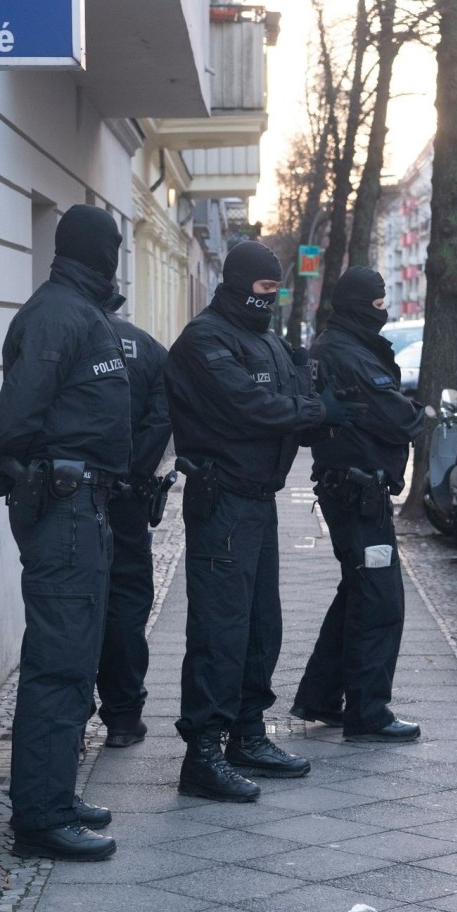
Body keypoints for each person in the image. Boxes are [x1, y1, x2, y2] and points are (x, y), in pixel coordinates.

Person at [164, 240, 366, 802]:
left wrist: (318, 408)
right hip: (222, 501)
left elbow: (291, 403)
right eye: (261, 288)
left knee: (260, 626)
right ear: (235, 284)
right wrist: (314, 410)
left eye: (275, 289)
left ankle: (247, 732)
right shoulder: (205, 341)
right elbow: (247, 408)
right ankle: (202, 753)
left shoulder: (268, 342)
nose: (268, 298)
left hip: (258, 500)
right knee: (220, 630)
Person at [0, 204, 131, 862]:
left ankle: (55, 794)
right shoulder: (58, 314)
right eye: (113, 248)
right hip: (64, 506)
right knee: (58, 664)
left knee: (75, 661)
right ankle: (39, 820)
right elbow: (12, 418)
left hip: (83, 506)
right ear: (95, 252)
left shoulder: (80, 310)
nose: (116, 257)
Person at [292, 266, 424, 742]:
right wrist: (416, 413)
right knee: (379, 601)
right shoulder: (346, 353)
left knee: (358, 592)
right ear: (363, 305)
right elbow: (397, 418)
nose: (384, 310)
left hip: (347, 488)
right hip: (358, 494)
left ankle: (321, 697)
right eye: (379, 302)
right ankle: (368, 712)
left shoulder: (333, 346)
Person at [95, 301, 172, 749]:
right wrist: (134, 470)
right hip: (128, 499)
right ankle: (124, 717)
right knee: (127, 601)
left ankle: (72, 717)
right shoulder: (147, 348)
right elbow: (163, 419)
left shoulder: (71, 334)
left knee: (76, 604)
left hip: (77, 494)